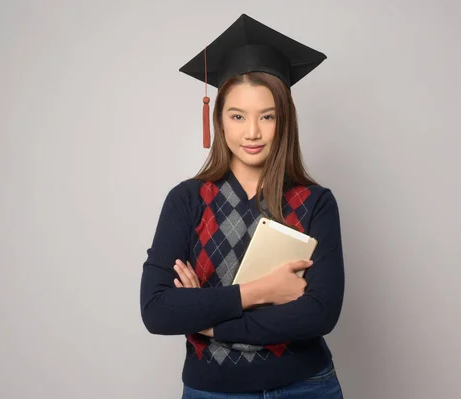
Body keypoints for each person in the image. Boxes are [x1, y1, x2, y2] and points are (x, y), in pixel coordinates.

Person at [140, 13, 345, 399]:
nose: (252, 132)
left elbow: (320, 313)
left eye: (267, 117)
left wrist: (208, 320)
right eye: (238, 116)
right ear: (219, 119)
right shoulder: (186, 200)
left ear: (284, 122)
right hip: (214, 392)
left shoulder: (316, 203)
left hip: (306, 387)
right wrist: (261, 291)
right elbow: (158, 310)